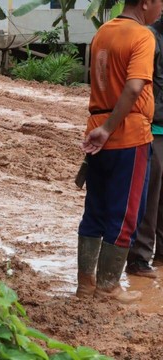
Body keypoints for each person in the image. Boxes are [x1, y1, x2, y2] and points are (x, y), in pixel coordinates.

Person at [76, 0, 162, 304]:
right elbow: (134, 87)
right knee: (126, 213)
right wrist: (110, 127)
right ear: (147, 3)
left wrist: (102, 129)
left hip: (98, 128)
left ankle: (85, 285)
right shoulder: (143, 35)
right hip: (127, 133)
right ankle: (108, 286)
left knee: (95, 209)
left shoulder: (104, 31)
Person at [126, 15, 163, 278]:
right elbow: (139, 84)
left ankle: (160, 251)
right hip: (154, 127)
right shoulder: (149, 37)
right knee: (150, 196)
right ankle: (138, 257)